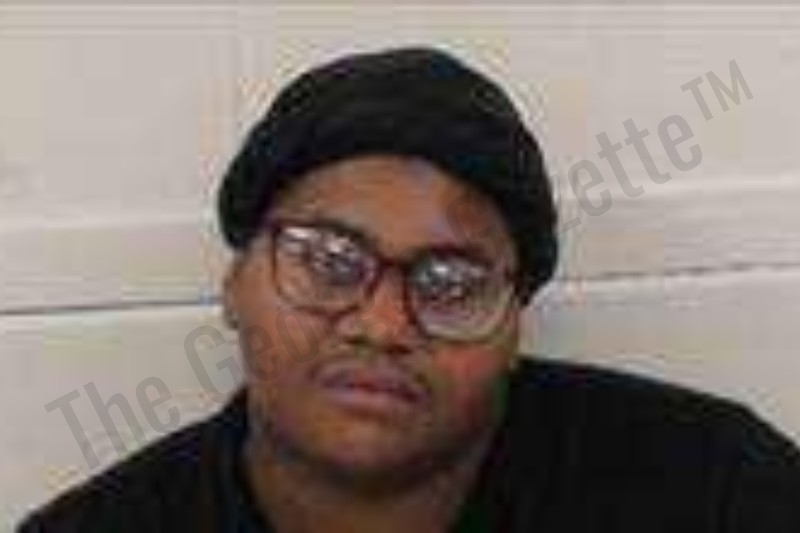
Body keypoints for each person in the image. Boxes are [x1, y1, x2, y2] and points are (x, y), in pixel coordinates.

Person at [17, 47, 800, 533]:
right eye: (329, 260)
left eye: (451, 283)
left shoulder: (717, 491)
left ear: (514, 321)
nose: (384, 324)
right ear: (235, 282)